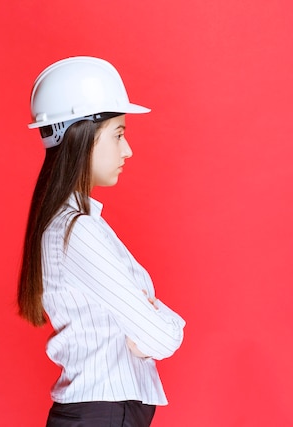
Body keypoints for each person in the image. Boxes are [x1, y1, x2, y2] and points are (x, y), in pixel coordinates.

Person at [17, 56, 186, 427]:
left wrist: (152, 320)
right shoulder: (79, 232)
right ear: (82, 136)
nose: (127, 151)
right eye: (119, 134)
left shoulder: (75, 225)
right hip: (102, 416)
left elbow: (150, 333)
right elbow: (159, 339)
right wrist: (165, 321)